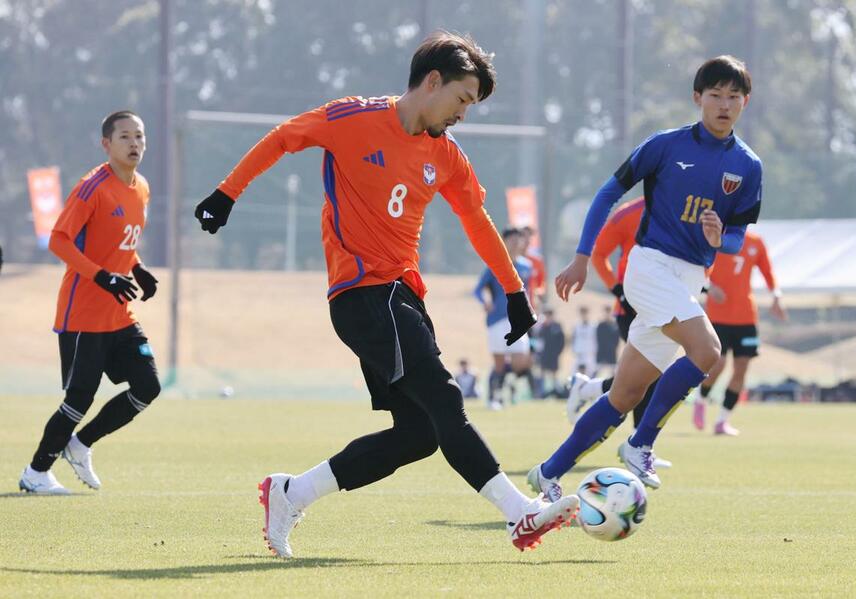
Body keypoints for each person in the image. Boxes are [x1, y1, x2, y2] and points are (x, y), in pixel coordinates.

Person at [193, 31, 578, 558]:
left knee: (420, 433)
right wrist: (226, 193)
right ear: (432, 81)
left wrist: (514, 291)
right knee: (445, 399)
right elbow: (284, 137)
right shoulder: (352, 117)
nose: (464, 114)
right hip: (363, 293)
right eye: (463, 99)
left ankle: (291, 493)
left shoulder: (446, 155)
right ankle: (520, 513)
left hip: (401, 296)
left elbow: (476, 219)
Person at [528, 55, 762, 498]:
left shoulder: (748, 166)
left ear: (745, 102)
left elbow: (735, 239)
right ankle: (641, 444)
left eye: (734, 96)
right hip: (650, 266)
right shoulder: (666, 145)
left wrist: (720, 238)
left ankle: (547, 473)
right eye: (715, 95)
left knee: (625, 394)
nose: (724, 104)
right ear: (697, 97)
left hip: (690, 278)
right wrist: (582, 257)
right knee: (708, 351)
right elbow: (607, 193)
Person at [19, 110, 160, 495]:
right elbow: (59, 240)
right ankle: (35, 473)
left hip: (120, 313)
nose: (134, 143)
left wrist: (138, 268)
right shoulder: (91, 188)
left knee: (147, 386)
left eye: (139, 136)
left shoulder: (142, 187)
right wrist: (101, 276)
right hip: (83, 314)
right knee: (80, 397)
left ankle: (80, 444)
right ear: (106, 144)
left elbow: (119, 242)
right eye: (125, 137)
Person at [564, 197, 672, 469]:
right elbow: (599, 254)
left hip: (665, 304)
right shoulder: (627, 214)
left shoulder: (678, 206)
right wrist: (618, 291)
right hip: (631, 308)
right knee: (648, 374)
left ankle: (588, 389)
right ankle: (639, 446)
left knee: (647, 375)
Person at [694, 229, 785, 435]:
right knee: (718, 364)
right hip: (718, 317)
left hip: (746, 318)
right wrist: (709, 288)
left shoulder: (755, 241)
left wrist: (776, 296)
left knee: (741, 368)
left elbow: (768, 271)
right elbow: (696, 269)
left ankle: (722, 420)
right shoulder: (714, 237)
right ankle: (701, 398)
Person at [473, 226, 534, 409]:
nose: (515, 243)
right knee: (499, 364)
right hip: (497, 319)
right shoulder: (495, 264)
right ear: (504, 241)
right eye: (512, 240)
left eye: (518, 239)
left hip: (518, 319)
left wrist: (532, 307)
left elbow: (528, 291)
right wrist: (485, 300)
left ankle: (507, 386)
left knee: (521, 361)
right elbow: (478, 289)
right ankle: (494, 396)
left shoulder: (526, 266)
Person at [533, 308, 565, 398]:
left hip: (554, 355)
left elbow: (561, 341)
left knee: (554, 374)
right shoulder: (542, 327)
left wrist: (558, 352)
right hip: (544, 355)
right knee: (542, 373)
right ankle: (541, 392)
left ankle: (557, 391)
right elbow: (538, 341)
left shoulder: (557, 326)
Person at [594, 305, 619, 379]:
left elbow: (616, 341)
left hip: (611, 354)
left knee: (614, 375)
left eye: (609, 312)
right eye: (606, 312)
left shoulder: (615, 325)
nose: (607, 314)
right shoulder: (600, 325)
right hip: (601, 353)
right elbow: (598, 339)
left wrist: (612, 349)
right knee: (596, 373)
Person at [571, 306, 597, 376]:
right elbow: (573, 339)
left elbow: (595, 340)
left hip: (589, 353)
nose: (583, 315)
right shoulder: (576, 326)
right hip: (579, 353)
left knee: (590, 372)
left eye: (585, 313)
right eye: (582, 313)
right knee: (576, 372)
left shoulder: (593, 326)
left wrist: (594, 351)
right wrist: (574, 349)